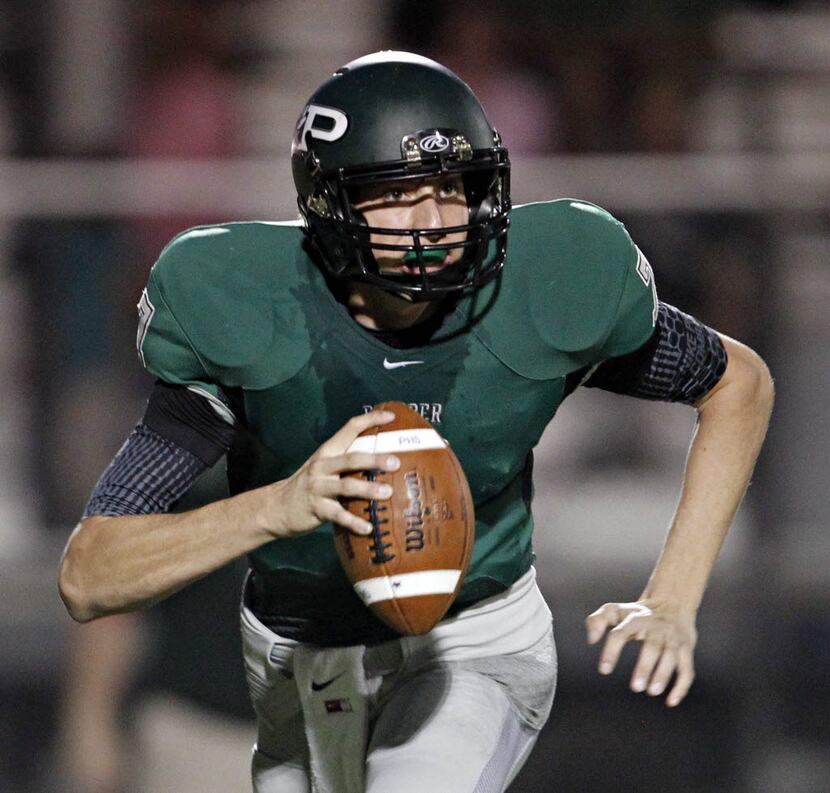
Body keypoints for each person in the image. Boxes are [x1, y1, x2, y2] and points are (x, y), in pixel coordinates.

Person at [58, 51, 773, 793]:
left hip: (474, 635)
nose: (434, 222)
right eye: (397, 194)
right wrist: (279, 504)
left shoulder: (541, 290)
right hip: (304, 656)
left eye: (451, 188)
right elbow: (90, 574)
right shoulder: (250, 314)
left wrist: (674, 594)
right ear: (331, 205)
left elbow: (737, 384)